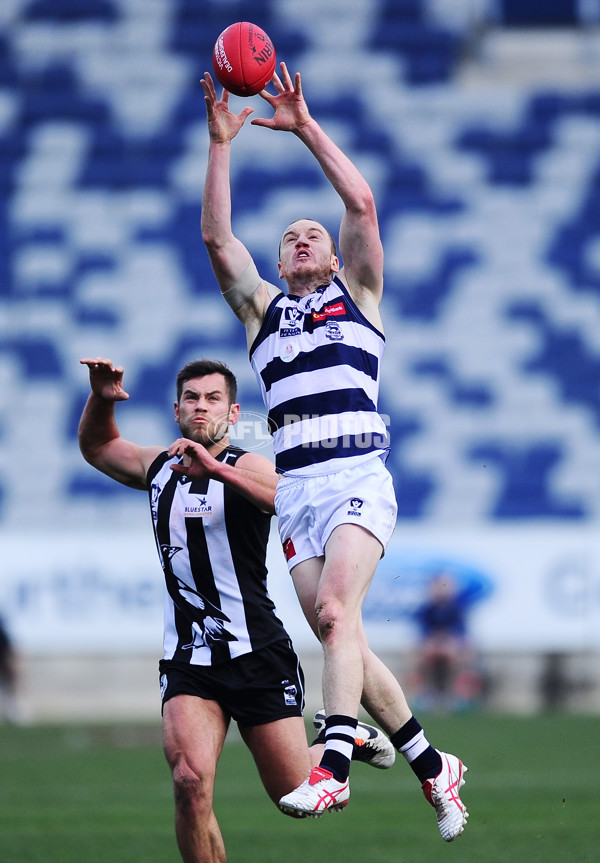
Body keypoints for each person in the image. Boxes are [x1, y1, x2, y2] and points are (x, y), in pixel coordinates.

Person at [199, 63, 468, 840]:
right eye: (288, 238)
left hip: (356, 475)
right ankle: (431, 764)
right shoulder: (262, 315)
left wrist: (305, 127)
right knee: (339, 631)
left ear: (334, 253)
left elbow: (360, 201)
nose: (302, 235)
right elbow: (218, 238)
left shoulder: (361, 294)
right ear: (280, 267)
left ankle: (335, 767)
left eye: (311, 231)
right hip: (298, 490)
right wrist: (222, 144)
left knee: (331, 610)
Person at [78, 356, 395, 863]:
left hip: (256, 652)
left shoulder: (248, 464)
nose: (201, 407)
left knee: (295, 797)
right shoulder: (159, 465)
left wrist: (217, 469)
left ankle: (342, 736)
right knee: (188, 781)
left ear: (233, 411)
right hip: (189, 657)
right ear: (177, 409)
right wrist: (101, 397)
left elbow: (280, 497)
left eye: (213, 399)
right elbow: (97, 447)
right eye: (192, 399)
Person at [411, 572, 486, 712]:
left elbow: (461, 633)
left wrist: (448, 643)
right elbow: (423, 633)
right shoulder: (427, 609)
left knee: (456, 654)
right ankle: (427, 693)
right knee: (421, 654)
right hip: (433, 646)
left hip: (451, 646)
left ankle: (454, 694)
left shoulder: (457, 608)